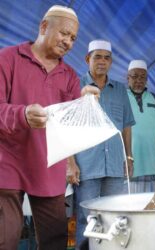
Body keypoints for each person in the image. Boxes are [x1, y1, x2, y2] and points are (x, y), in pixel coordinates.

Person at [0, 5, 99, 250]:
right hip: (8, 162)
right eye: (64, 33)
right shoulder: (8, 58)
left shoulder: (70, 76)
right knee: (6, 237)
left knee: (55, 240)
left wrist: (85, 102)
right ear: (44, 26)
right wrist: (22, 114)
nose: (68, 41)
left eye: (73, 38)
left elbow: (72, 124)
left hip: (49, 164)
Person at [67, 40, 135, 248]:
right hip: (87, 164)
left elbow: (126, 126)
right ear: (88, 59)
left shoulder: (120, 89)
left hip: (115, 163)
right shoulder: (75, 86)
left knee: (114, 216)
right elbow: (66, 128)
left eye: (107, 58)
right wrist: (70, 163)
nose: (102, 62)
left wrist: (129, 157)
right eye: (97, 57)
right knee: (86, 219)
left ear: (111, 62)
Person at [126, 60, 155, 193]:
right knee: (129, 206)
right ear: (127, 78)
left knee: (149, 206)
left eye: (143, 77)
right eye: (135, 76)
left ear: (147, 79)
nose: (139, 80)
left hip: (151, 163)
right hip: (129, 164)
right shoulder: (121, 97)